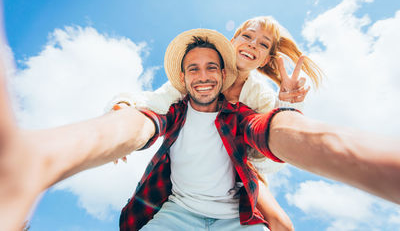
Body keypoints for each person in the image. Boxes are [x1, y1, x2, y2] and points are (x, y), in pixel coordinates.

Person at [1, 29, 399, 231]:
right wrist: (41, 160)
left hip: (236, 214)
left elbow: (274, 135)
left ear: (224, 74)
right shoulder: (172, 107)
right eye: (194, 68)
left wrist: (290, 107)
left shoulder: (246, 111)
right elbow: (139, 122)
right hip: (177, 211)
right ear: (182, 77)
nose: (203, 76)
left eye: (212, 68)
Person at [109, 16, 322, 230]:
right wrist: (123, 107)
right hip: (194, 174)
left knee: (282, 224)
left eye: (263, 44)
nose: (252, 44)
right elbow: (155, 101)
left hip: (243, 169)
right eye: (247, 36)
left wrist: (286, 105)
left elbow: (270, 148)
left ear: (265, 60)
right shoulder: (202, 77)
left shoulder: (260, 96)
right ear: (232, 41)